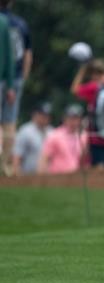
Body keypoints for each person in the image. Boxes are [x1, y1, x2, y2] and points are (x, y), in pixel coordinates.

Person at [71, 58, 104, 169]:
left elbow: (75, 90)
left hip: (96, 138)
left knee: (98, 170)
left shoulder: (94, 87)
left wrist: (82, 71)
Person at [0, 0, 30, 177]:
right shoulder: (20, 24)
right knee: (10, 123)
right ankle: (5, 166)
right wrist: (21, 80)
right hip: (15, 78)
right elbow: (27, 55)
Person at [37, 104, 87, 175]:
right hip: (57, 177)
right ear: (65, 118)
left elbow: (83, 159)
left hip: (76, 177)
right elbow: (44, 158)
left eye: (76, 118)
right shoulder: (54, 135)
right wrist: (41, 177)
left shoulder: (83, 136)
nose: (73, 121)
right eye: (71, 118)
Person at [12, 101, 52, 176]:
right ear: (35, 114)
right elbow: (17, 154)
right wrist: (16, 172)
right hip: (28, 176)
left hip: (48, 177)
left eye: (47, 115)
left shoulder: (52, 132)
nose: (45, 118)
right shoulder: (25, 131)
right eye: (42, 115)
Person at [0, 12, 15, 176]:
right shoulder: (4, 22)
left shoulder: (3, 22)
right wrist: (10, 85)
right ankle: (3, 166)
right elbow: (9, 57)